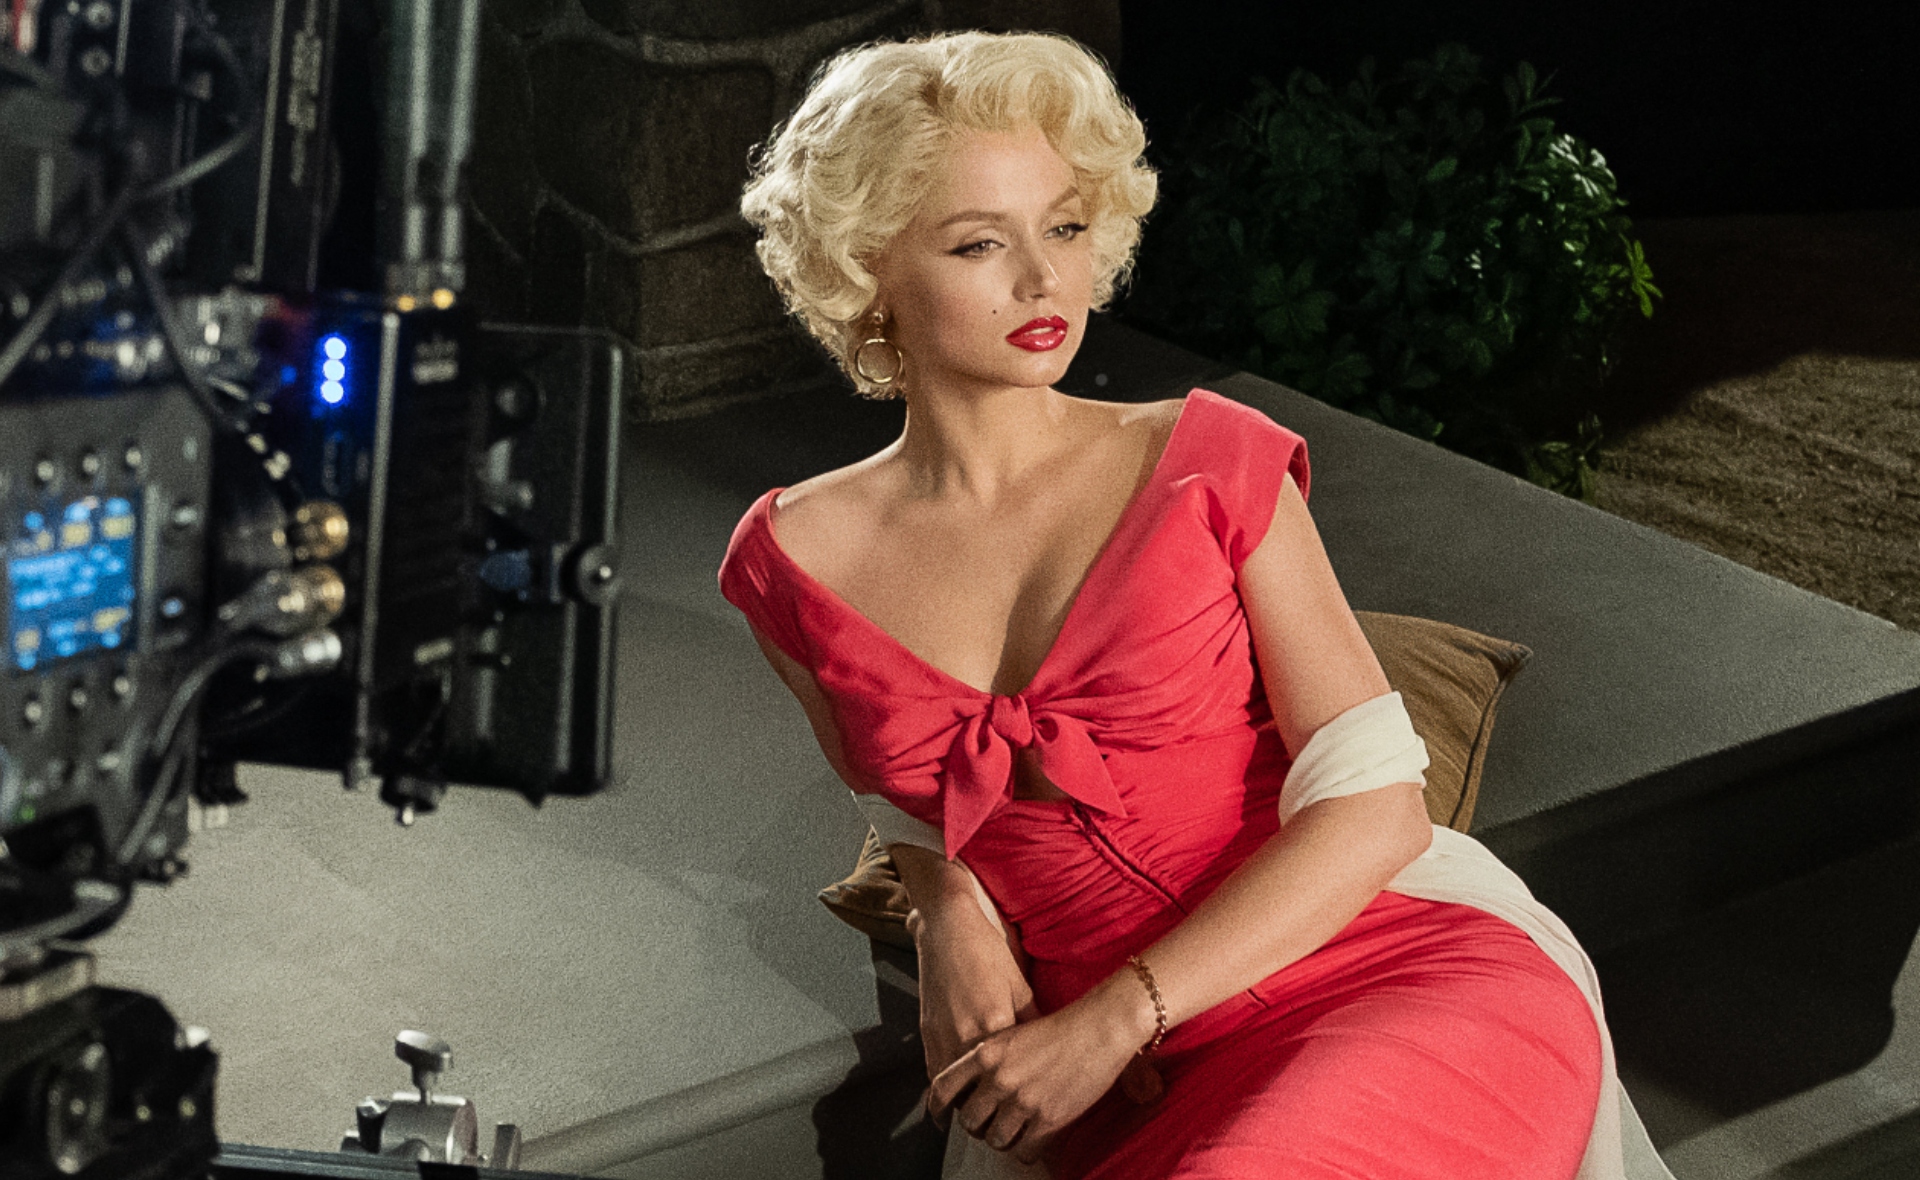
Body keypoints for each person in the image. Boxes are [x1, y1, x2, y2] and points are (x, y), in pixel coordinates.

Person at [721, 30, 1670, 1180]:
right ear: (869, 269)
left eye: (1065, 227)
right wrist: (944, 909)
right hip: (1120, 1086)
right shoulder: (788, 562)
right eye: (981, 242)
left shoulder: (1208, 461)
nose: (1043, 280)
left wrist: (1115, 1015)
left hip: (1390, 976)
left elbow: (1378, 809)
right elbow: (909, 794)